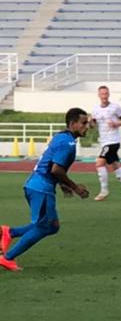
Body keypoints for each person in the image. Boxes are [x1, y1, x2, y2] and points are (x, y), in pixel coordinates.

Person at [0, 108, 91, 271]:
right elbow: (56, 170)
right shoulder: (68, 143)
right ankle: (7, 258)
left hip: (37, 185)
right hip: (41, 188)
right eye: (84, 123)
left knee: (52, 226)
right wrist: (75, 188)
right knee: (45, 226)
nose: (87, 126)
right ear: (72, 124)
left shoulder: (62, 136)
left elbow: (52, 165)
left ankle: (9, 233)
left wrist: (62, 184)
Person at [89, 85, 121, 202]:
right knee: (115, 165)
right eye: (102, 94)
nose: (104, 96)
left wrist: (117, 124)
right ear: (99, 95)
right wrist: (90, 122)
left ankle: (104, 191)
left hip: (113, 141)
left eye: (106, 94)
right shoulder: (96, 109)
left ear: (109, 94)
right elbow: (92, 126)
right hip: (104, 141)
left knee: (99, 163)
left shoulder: (115, 107)